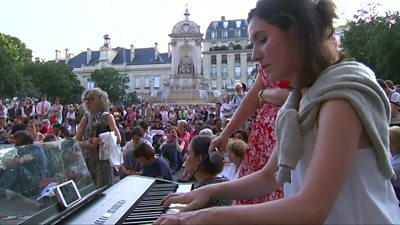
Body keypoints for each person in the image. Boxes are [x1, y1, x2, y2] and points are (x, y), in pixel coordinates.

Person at [155, 0, 400, 224]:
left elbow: (311, 209)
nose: (254, 55)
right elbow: (268, 177)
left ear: (295, 34)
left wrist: (203, 217)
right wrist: (210, 190)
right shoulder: (299, 99)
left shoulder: (339, 101)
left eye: (262, 40)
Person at [75, 88, 121, 188]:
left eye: (91, 99)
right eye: (85, 100)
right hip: (88, 160)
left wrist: (100, 140)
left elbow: (118, 139)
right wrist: (85, 143)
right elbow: (75, 142)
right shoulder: (85, 118)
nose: (87, 102)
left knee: (105, 189)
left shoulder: (107, 117)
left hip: (104, 161)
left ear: (100, 100)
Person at [183, 135, 231, 207]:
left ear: (198, 159)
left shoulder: (203, 191)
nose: (185, 157)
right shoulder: (223, 180)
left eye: (188, 153)